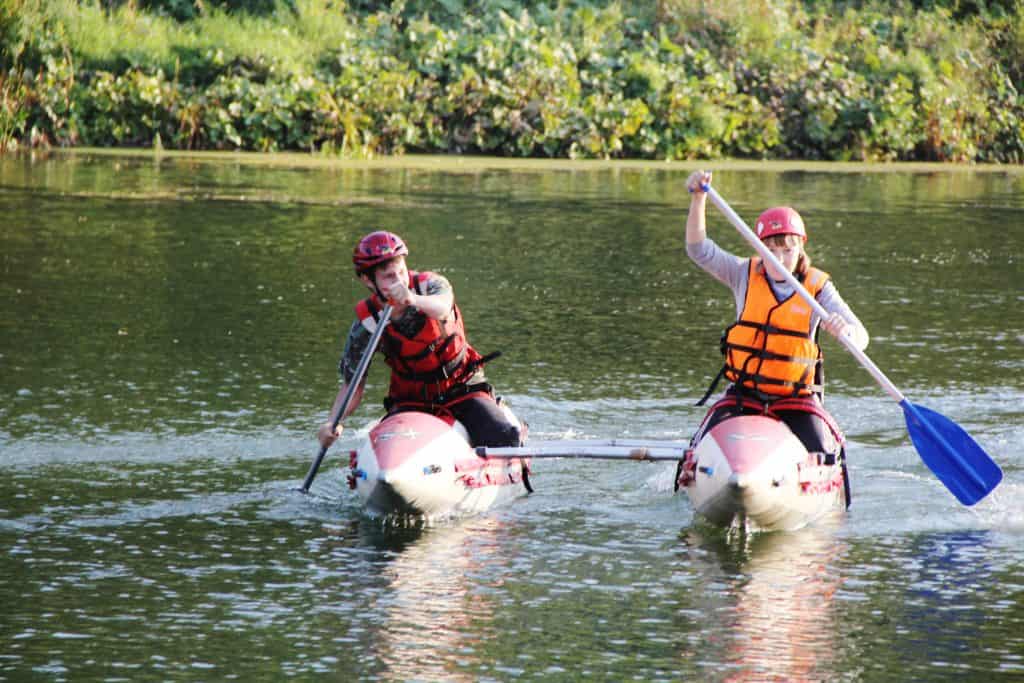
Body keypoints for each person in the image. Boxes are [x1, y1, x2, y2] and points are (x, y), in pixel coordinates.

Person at [683, 170, 869, 467]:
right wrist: (698, 198)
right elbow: (698, 250)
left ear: (800, 248)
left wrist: (845, 331)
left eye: (787, 249)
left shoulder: (818, 287)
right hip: (744, 395)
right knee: (700, 444)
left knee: (825, 455)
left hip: (796, 398)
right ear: (758, 248)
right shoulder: (743, 273)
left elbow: (862, 336)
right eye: (770, 250)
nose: (779, 258)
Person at [317, 230, 524, 451]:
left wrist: (413, 299)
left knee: (504, 436)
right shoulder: (367, 325)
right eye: (389, 277)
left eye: (401, 272)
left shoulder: (432, 286)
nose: (399, 282)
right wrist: (332, 421)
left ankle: (502, 421)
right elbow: (353, 385)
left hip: (463, 389)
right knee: (387, 450)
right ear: (368, 280)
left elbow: (443, 306)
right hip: (411, 402)